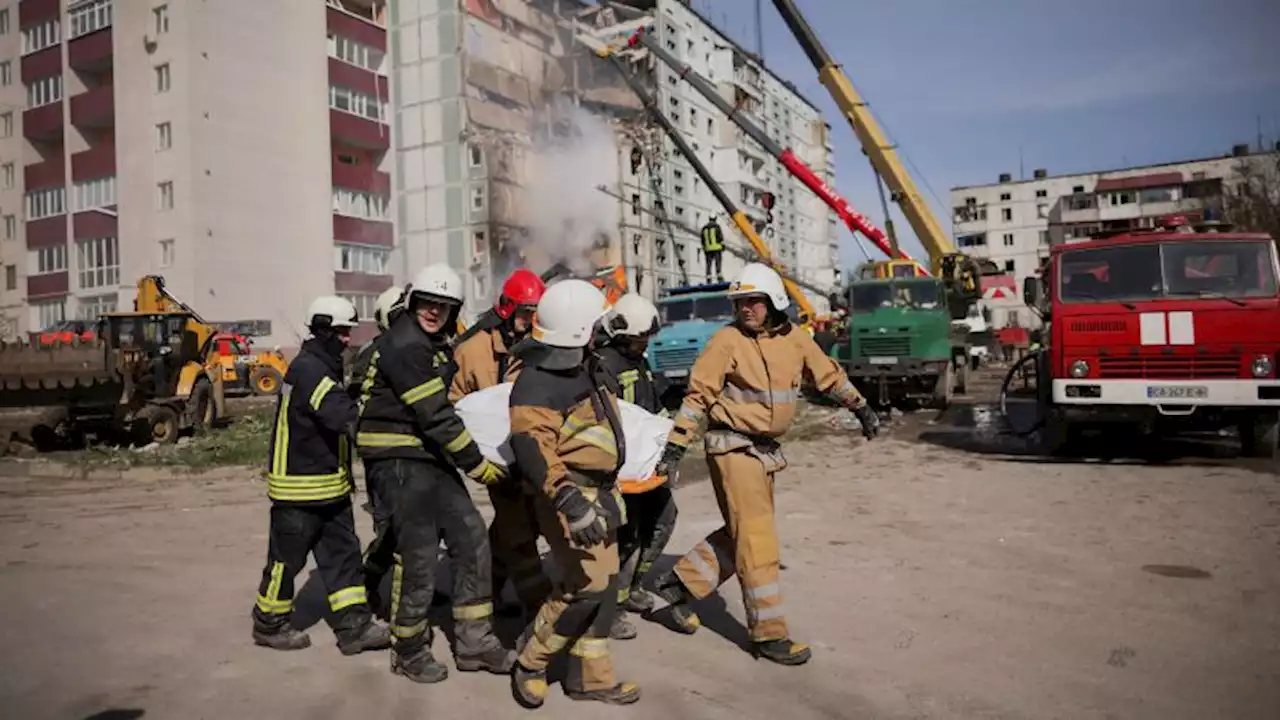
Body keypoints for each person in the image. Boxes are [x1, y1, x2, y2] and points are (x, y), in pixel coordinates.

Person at [650, 263, 880, 666]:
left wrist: (860, 406)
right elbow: (698, 397)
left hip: (765, 452)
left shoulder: (795, 339)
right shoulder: (726, 342)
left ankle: (680, 586)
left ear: (773, 301)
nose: (745, 309)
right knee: (757, 539)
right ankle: (768, 635)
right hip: (732, 449)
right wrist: (674, 447)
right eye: (739, 302)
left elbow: (827, 375)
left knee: (744, 530)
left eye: (752, 301)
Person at [355, 263, 514, 684]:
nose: (434, 311)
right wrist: (479, 465)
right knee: (419, 554)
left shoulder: (433, 343)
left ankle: (475, 642)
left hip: (428, 454)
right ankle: (407, 649)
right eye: (428, 303)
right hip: (398, 457)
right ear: (412, 304)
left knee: (471, 537)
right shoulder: (406, 345)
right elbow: (437, 416)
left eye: (443, 307)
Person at [508, 279, 640, 708]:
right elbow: (532, 448)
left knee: (603, 586)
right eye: (597, 324)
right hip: (571, 497)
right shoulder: (535, 382)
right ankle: (531, 661)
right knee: (585, 583)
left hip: (600, 493)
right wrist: (569, 501)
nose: (604, 330)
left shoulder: (585, 364)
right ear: (580, 330)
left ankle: (590, 677)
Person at [250, 296, 391, 656]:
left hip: (328, 486)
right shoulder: (312, 370)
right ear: (324, 330)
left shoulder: (319, 366)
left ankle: (354, 627)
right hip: (300, 489)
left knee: (344, 558)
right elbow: (345, 418)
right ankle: (269, 623)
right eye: (342, 332)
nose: (347, 339)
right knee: (286, 562)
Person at [449, 268, 552, 623]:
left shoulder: (539, 347)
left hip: (527, 452)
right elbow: (455, 402)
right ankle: (538, 603)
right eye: (526, 312)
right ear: (508, 310)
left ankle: (487, 586)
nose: (532, 319)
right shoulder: (473, 350)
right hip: (493, 457)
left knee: (526, 523)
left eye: (536, 312)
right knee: (517, 527)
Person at [594, 293, 677, 641]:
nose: (644, 343)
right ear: (621, 333)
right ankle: (609, 610)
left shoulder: (637, 361)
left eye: (646, 338)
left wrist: (667, 439)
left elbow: (652, 408)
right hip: (621, 470)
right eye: (639, 337)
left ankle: (633, 587)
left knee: (663, 518)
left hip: (646, 466)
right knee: (623, 538)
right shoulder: (604, 365)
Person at [347, 285, 404, 619]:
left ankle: (412, 587)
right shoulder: (374, 351)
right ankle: (366, 584)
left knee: (421, 527)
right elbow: (357, 403)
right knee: (391, 530)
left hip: (411, 453)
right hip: (383, 455)